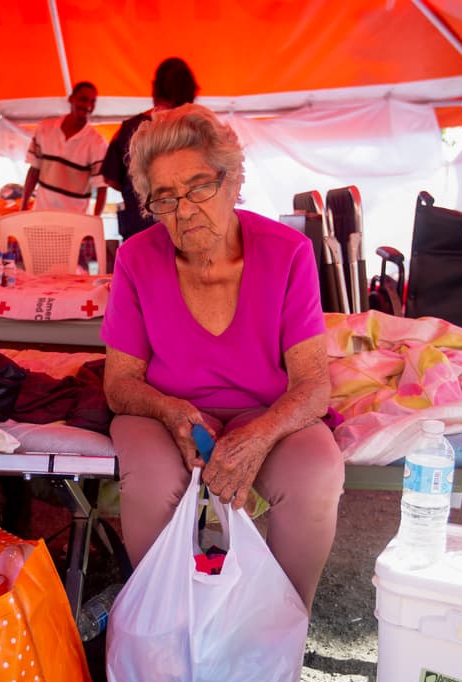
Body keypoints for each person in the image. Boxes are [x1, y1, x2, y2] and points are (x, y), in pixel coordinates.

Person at [100, 104, 344, 610]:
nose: (184, 210)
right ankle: (163, 628)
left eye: (199, 187)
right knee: (151, 478)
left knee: (316, 471)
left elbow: (313, 384)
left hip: (268, 412)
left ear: (233, 181)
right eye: (164, 198)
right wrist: (169, 411)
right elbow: (120, 382)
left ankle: (281, 628)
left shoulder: (288, 253)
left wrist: (257, 437)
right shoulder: (136, 258)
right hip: (169, 410)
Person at [101, 58, 198, 241]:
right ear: (191, 89)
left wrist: (140, 184)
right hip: (189, 224)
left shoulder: (131, 128)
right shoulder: (200, 127)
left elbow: (110, 178)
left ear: (156, 87)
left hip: (141, 225)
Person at [21, 82, 107, 216]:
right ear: (71, 99)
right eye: (83, 99)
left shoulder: (97, 143)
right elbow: (33, 171)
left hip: (75, 222)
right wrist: (23, 207)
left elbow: (102, 188)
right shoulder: (45, 128)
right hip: (42, 215)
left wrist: (94, 223)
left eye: (92, 102)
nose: (88, 105)